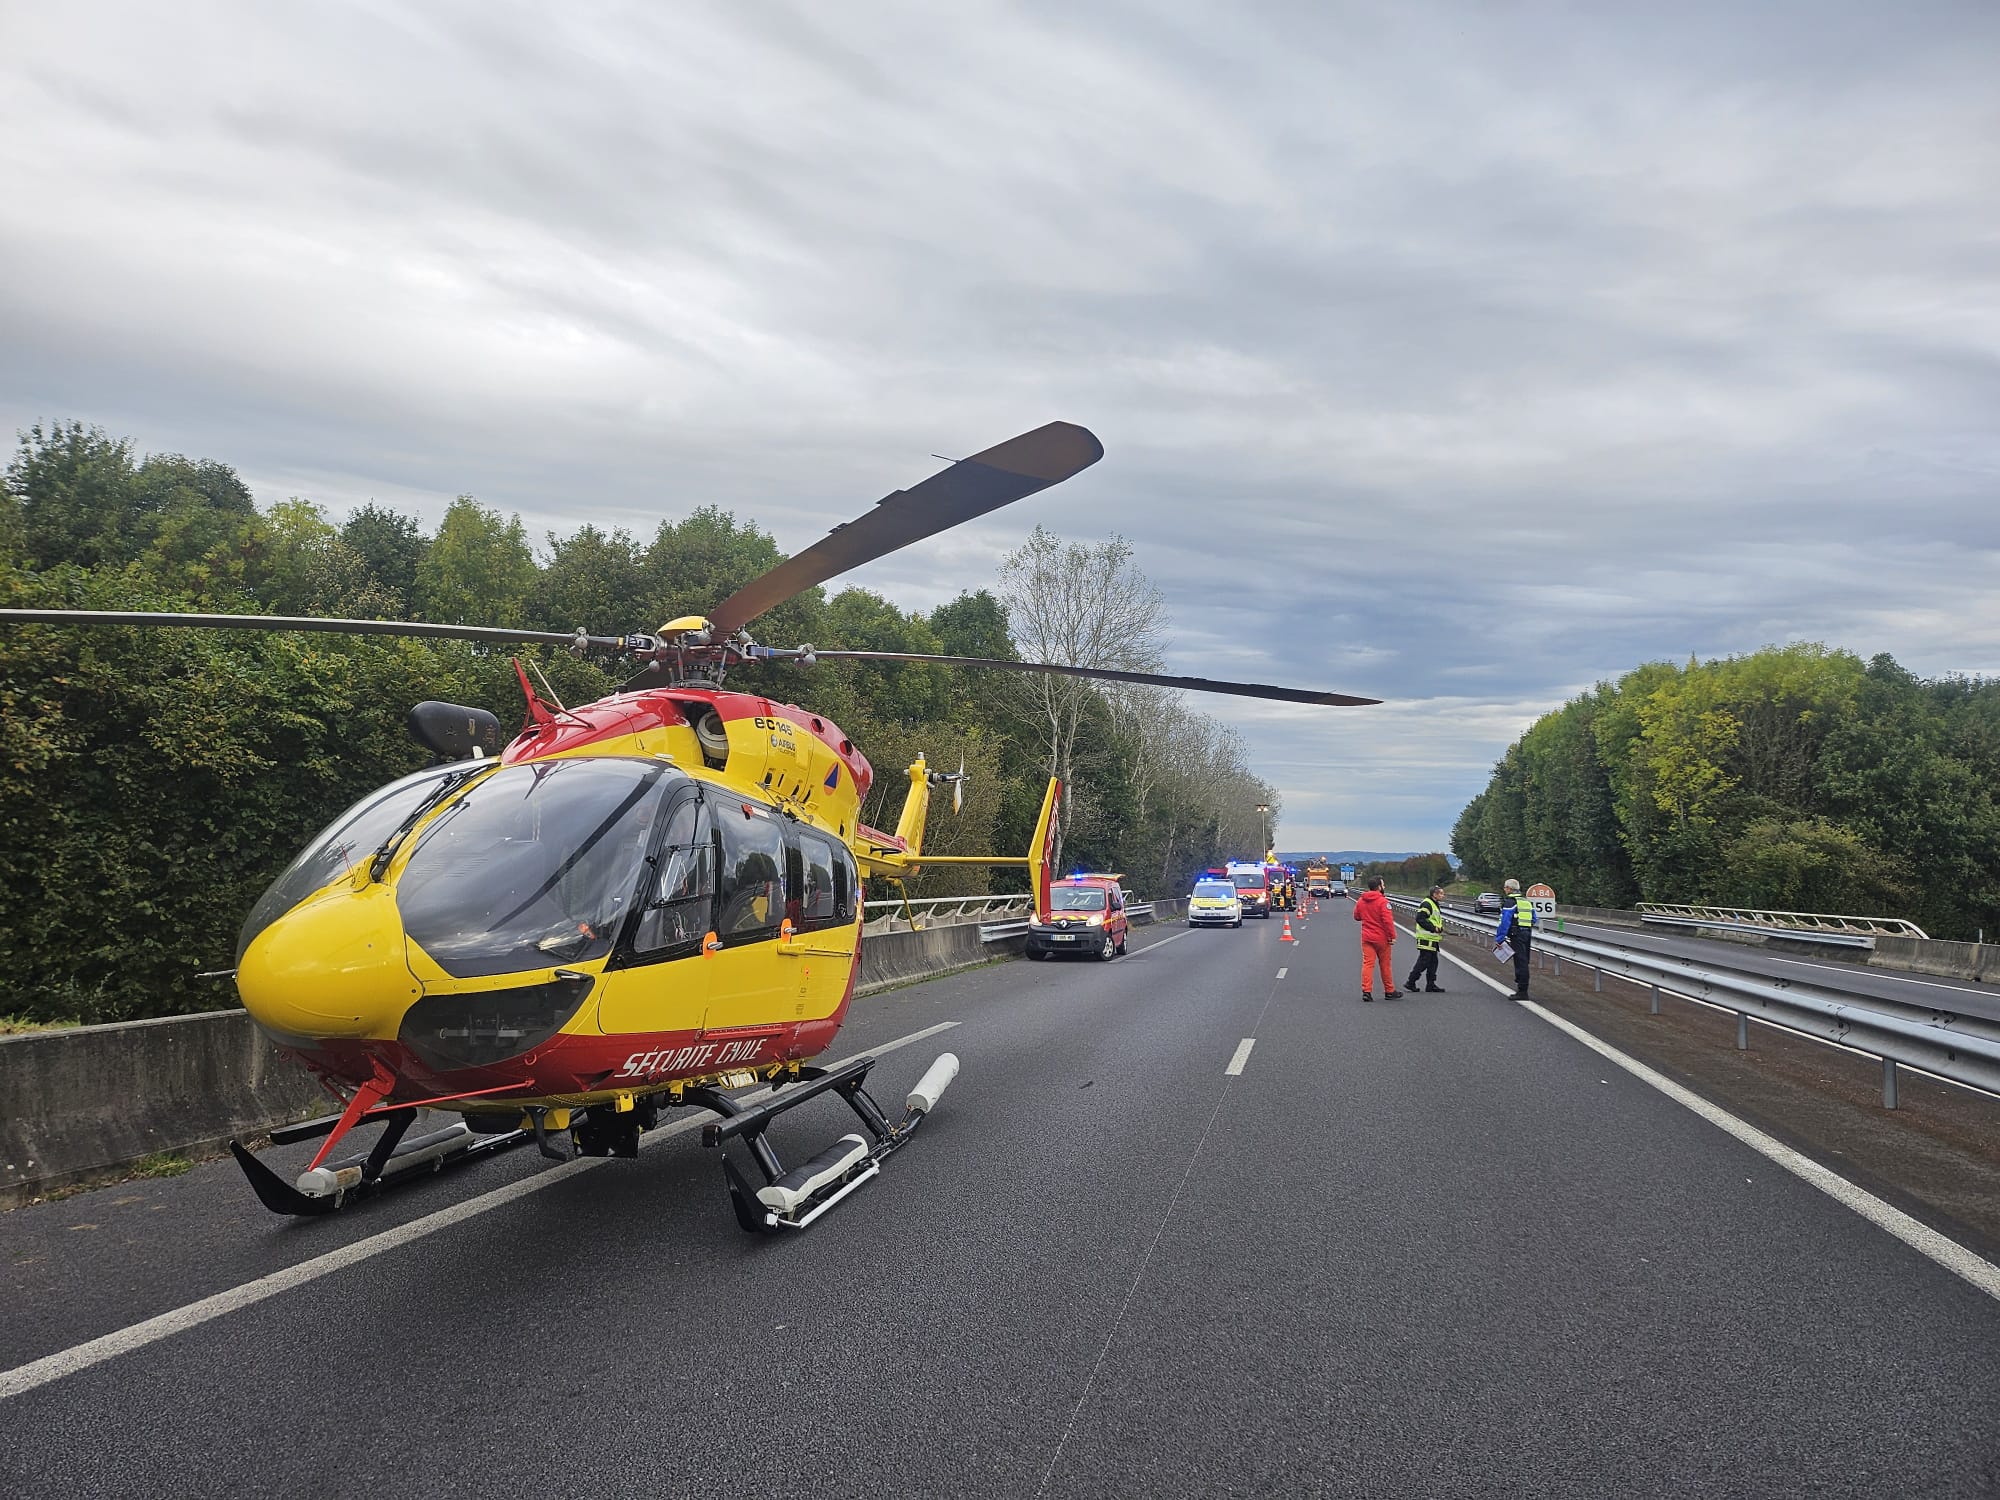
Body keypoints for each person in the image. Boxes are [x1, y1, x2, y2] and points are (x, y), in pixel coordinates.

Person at [1352, 876, 1400, 1001]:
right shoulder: (1383, 902)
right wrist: (1392, 936)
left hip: (1367, 937)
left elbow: (1356, 916)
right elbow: (1388, 921)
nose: (1384, 887)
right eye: (1383, 885)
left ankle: (1366, 991)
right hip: (1382, 938)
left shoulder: (1361, 900)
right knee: (1385, 965)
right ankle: (1389, 991)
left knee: (1368, 964)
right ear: (1379, 887)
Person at [1492, 876, 1535, 998]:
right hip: (1527, 933)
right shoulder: (1526, 901)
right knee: (1524, 961)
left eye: (1505, 887)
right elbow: (1534, 918)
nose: (1504, 889)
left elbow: (1505, 922)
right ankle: (1523, 988)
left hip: (1516, 934)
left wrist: (1500, 938)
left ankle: (1522, 991)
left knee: (1520, 961)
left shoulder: (1510, 902)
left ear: (1510, 889)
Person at [1405, 884, 1446, 993]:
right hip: (1426, 938)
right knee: (1424, 962)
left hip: (1432, 938)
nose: (1443, 895)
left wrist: (1438, 928)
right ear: (1434, 894)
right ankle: (1411, 981)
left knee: (1433, 962)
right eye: (1441, 893)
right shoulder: (1427, 904)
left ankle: (1430, 984)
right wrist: (1433, 928)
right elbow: (1420, 919)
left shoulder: (1434, 904)